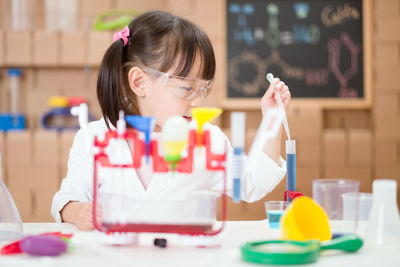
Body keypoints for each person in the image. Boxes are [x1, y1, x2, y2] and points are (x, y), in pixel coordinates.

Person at [51, 10, 291, 230]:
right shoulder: (93, 138)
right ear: (139, 82)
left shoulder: (206, 139)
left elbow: (252, 183)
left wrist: (272, 118)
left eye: (203, 89)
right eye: (187, 89)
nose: (198, 102)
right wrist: (78, 211)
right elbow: (66, 199)